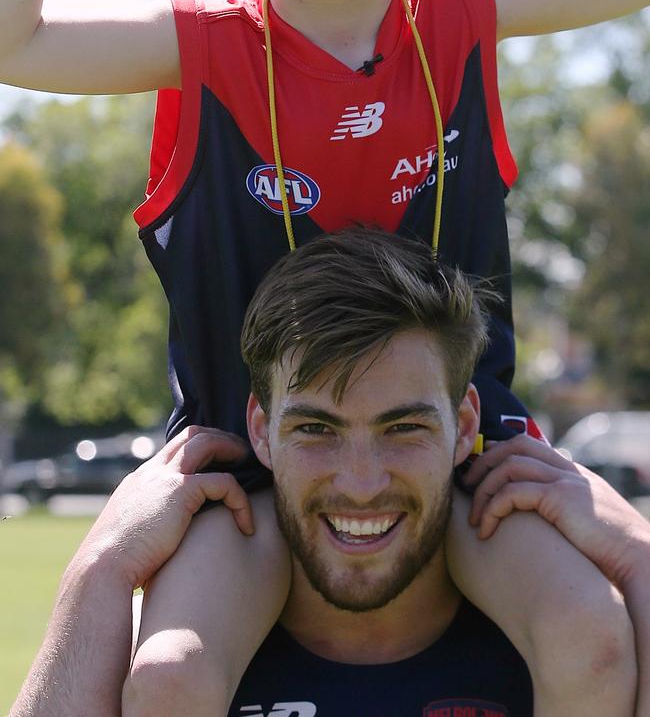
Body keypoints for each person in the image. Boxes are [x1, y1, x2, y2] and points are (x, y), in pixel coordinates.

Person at [2, 0, 650, 714]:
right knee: (170, 671)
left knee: (589, 635)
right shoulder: (206, 50)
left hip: (457, 451)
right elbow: (16, 41)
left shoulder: (460, 19)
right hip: (245, 461)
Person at [10, 229, 648, 717]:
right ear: (261, 429)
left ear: (464, 424)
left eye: (404, 428)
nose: (361, 483)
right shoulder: (193, 660)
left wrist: (640, 558)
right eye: (316, 429)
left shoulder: (551, 643)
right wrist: (103, 566)